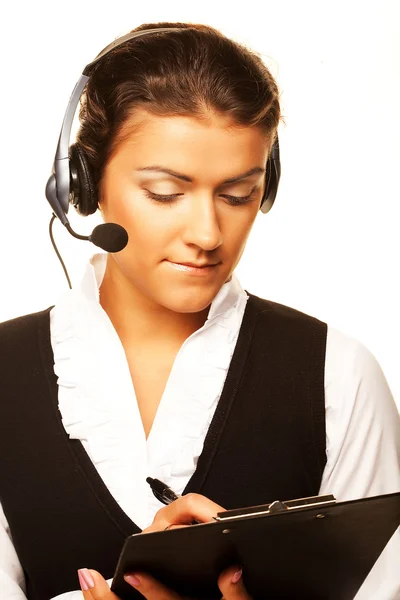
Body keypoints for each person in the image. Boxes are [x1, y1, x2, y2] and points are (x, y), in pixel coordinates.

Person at [0, 21, 399, 600]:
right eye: (165, 193)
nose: (208, 233)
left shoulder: (338, 377)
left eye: (238, 195)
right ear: (85, 184)